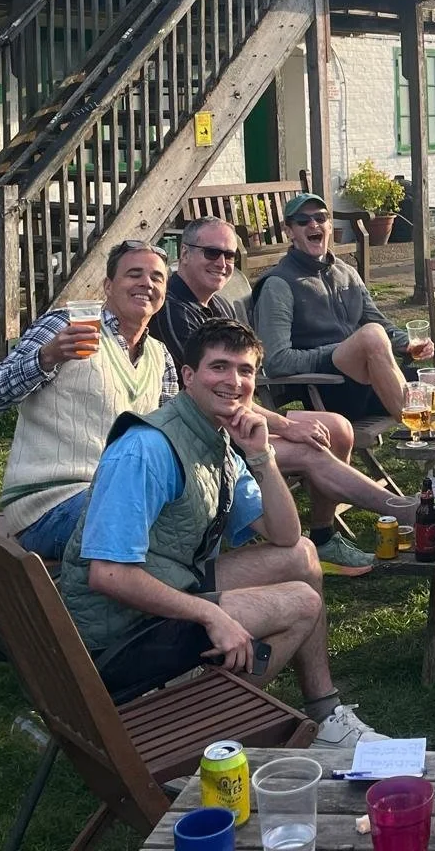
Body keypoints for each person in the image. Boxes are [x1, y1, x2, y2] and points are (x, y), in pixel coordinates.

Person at [58, 319, 384, 748]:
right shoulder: (146, 448)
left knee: (302, 554)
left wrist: (262, 456)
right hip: (118, 637)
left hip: (169, 584)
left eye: (245, 371)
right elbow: (108, 575)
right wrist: (211, 615)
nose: (234, 381)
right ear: (188, 376)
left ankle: (325, 715)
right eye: (219, 367)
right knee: (302, 603)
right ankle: (191, 726)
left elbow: (285, 535)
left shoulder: (220, 437)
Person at [153, 216, 414, 573]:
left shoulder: (219, 306)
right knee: (310, 449)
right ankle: (404, 510)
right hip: (203, 434)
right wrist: (288, 426)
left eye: (229, 255)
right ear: (184, 254)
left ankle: (324, 536)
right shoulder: (174, 311)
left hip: (233, 415)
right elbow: (217, 399)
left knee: (336, 427)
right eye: (212, 253)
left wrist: (285, 422)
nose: (222, 263)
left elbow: (240, 385)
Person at [0, 241, 174, 560]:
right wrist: (47, 357)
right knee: (155, 533)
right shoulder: (65, 325)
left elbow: (171, 432)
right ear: (108, 286)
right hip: (49, 503)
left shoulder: (159, 355)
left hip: (122, 495)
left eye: (156, 278)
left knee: (196, 511)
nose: (146, 284)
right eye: (134, 274)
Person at [254, 193, 435, 418]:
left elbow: (379, 323)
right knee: (371, 335)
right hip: (330, 388)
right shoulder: (279, 284)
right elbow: (277, 361)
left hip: (377, 378)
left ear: (329, 226)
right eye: (303, 221)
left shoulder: (346, 273)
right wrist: (340, 351)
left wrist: (407, 343)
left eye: (320, 218)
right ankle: (412, 419)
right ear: (290, 231)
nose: (313, 224)